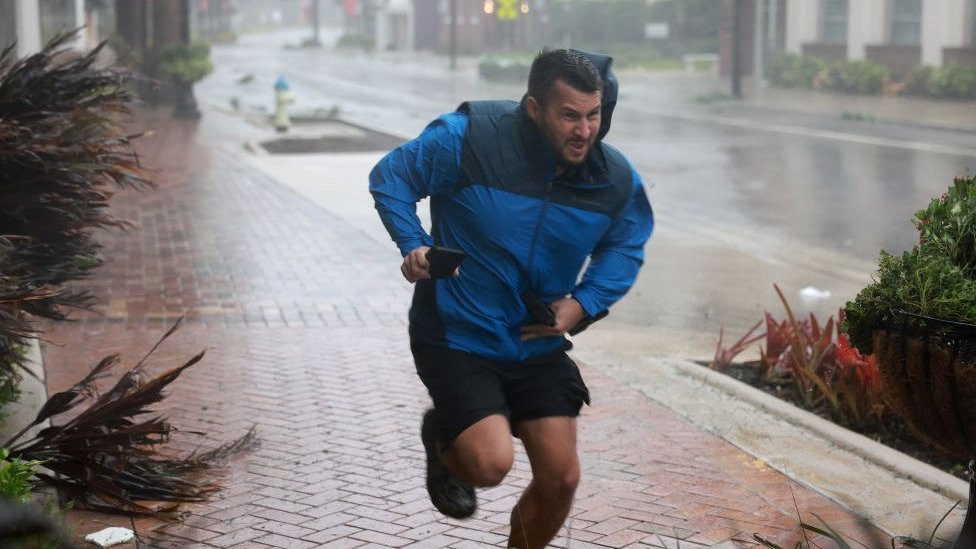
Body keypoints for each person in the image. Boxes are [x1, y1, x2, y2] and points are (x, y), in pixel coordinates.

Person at [369, 48, 653, 548]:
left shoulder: (614, 179)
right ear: (532, 107)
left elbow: (625, 244)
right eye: (569, 115)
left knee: (562, 476)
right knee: (489, 464)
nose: (584, 130)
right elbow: (393, 177)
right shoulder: (470, 137)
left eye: (594, 115)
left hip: (535, 338)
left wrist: (583, 303)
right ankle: (445, 440)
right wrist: (412, 243)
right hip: (458, 331)